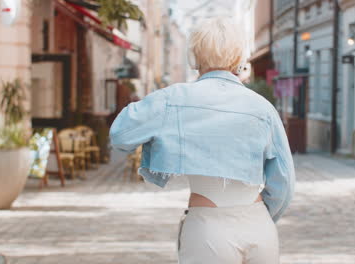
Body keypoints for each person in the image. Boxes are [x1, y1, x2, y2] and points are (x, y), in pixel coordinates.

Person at [109, 17, 295, 264]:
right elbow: (284, 182)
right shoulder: (263, 108)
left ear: (194, 54)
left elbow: (120, 135)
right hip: (259, 225)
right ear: (240, 56)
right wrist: (258, 218)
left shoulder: (172, 98)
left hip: (209, 228)